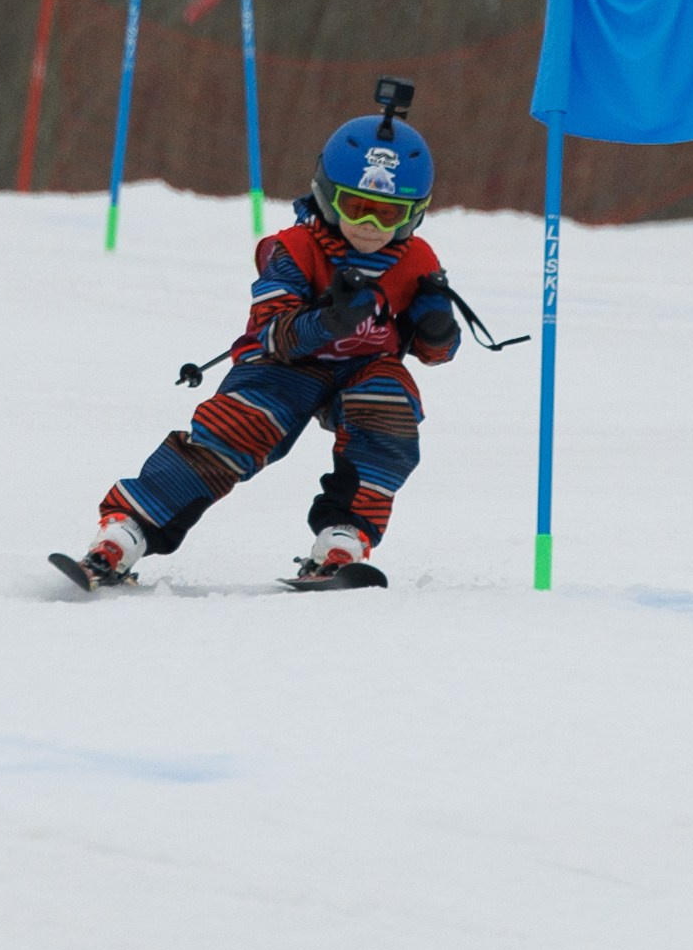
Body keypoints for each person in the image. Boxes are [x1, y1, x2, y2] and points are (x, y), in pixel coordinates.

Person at [56, 105, 460, 592]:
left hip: (366, 365)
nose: (371, 225)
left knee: (390, 415)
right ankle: (129, 529)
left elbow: (432, 349)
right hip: (286, 363)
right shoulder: (293, 248)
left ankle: (344, 538)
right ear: (329, 196)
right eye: (357, 207)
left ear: (414, 212)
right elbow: (273, 332)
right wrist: (328, 319)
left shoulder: (415, 258)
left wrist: (436, 330)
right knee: (240, 428)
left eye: (389, 213)